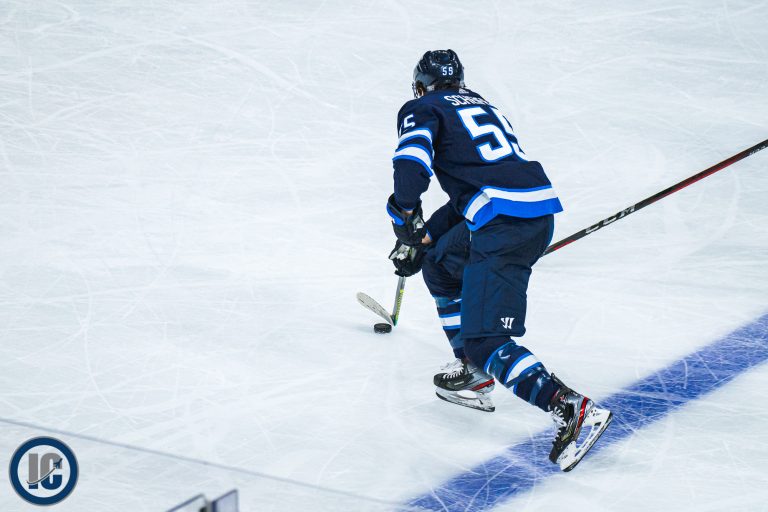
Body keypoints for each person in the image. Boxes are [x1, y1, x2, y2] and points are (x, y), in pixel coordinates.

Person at [386, 49, 612, 471]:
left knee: (486, 339)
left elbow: (410, 163)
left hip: (504, 226)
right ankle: (473, 371)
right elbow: (475, 188)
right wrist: (424, 237)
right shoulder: (480, 105)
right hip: (524, 213)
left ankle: (570, 406)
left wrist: (404, 213)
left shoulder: (423, 108)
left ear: (420, 86)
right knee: (439, 264)